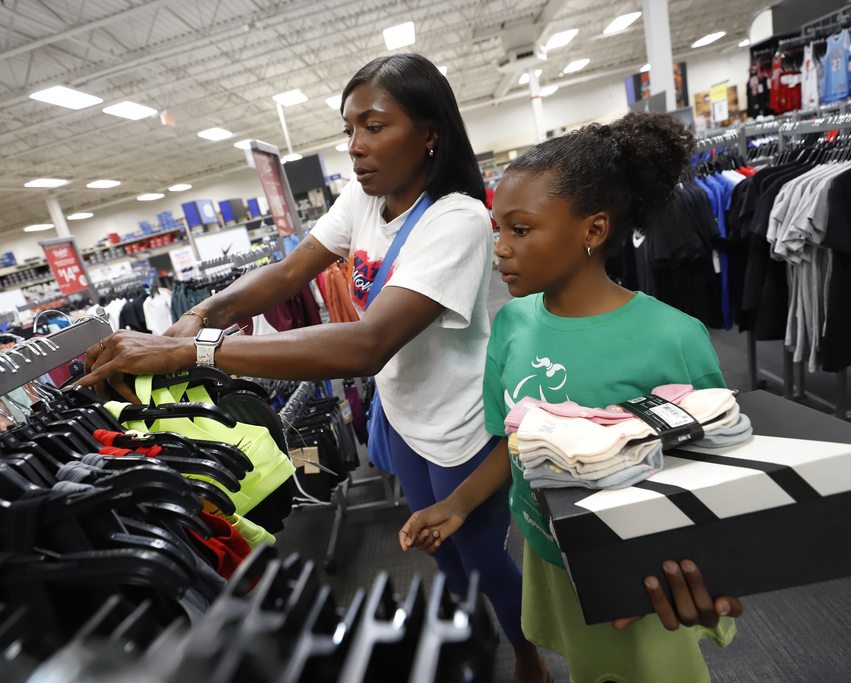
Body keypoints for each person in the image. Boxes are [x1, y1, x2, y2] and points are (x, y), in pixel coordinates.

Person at [79, 53, 548, 683]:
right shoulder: (364, 197)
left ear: (430, 132)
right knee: (444, 558)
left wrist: (192, 351)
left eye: (374, 127)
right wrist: (206, 312)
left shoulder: (457, 219)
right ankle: (474, 635)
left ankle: (528, 660)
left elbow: (367, 344)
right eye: (349, 131)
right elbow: (290, 272)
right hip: (406, 420)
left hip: (462, 427)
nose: (356, 148)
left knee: (485, 561)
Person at [398, 112, 744, 683]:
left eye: (521, 229)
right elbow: (516, 443)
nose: (500, 250)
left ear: (593, 230)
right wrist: (456, 504)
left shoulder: (672, 336)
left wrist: (720, 575)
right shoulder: (510, 325)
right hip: (552, 551)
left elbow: (718, 469)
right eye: (496, 230)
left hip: (643, 564)